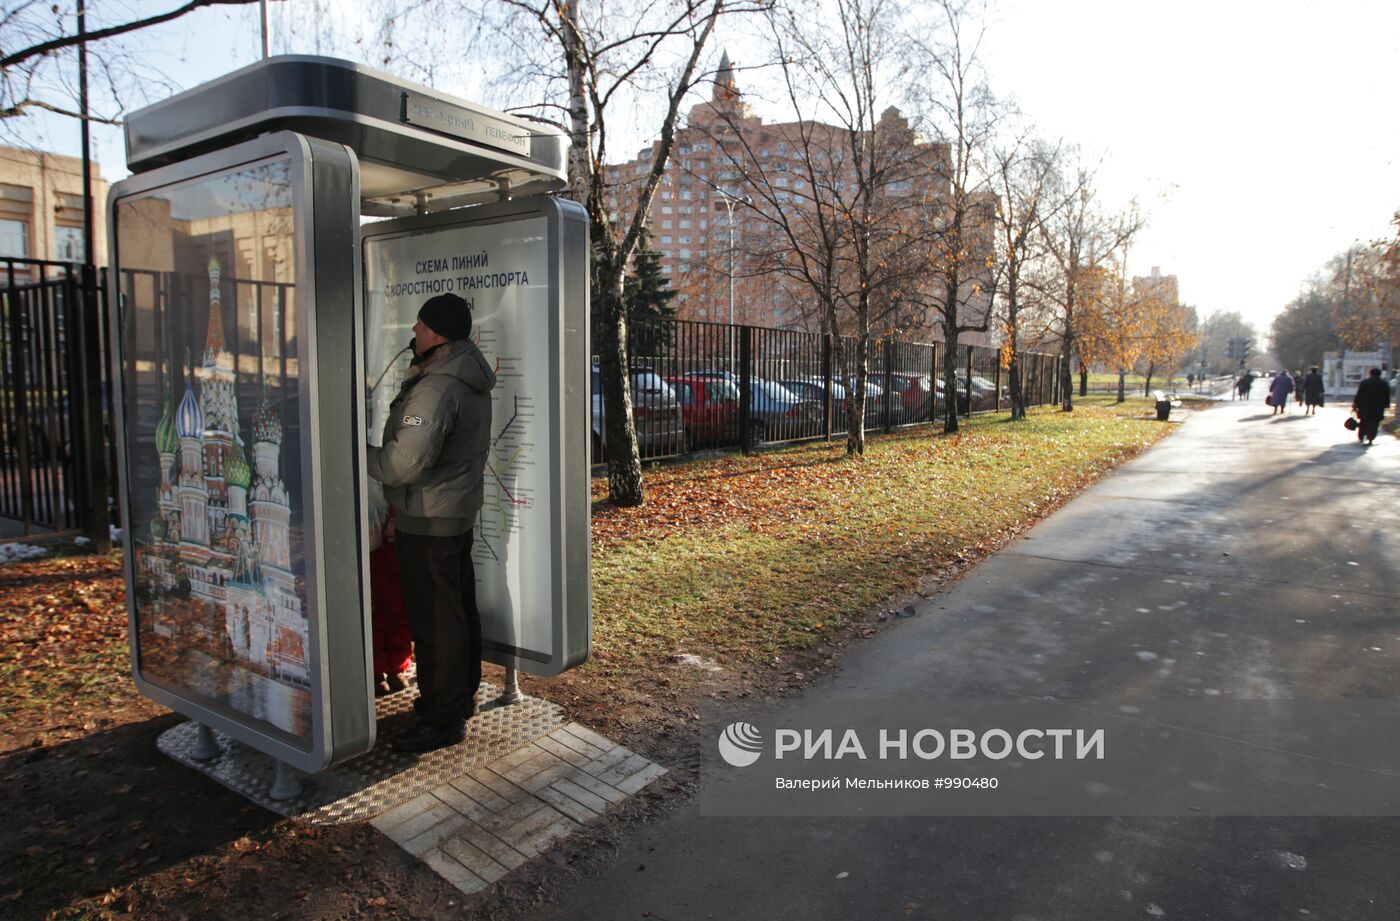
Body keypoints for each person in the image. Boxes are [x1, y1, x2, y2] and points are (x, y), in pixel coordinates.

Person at [368, 292, 496, 753]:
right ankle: (456, 700)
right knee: (456, 611)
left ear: (437, 333)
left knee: (436, 620)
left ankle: (443, 718)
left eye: (420, 326)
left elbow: (402, 466)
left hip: (427, 517)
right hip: (452, 512)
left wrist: (356, 454)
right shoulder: (462, 373)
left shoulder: (437, 387)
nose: (413, 333)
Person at [1351, 367, 1390, 446]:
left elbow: (1359, 394)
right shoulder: (1384, 384)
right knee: (1374, 423)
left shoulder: (1364, 382)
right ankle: (1370, 438)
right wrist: (1386, 405)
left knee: (1363, 422)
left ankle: (1362, 437)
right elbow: (1387, 396)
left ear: (1370, 374)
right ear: (1380, 374)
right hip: (1378, 407)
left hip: (1364, 407)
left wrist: (1355, 404)